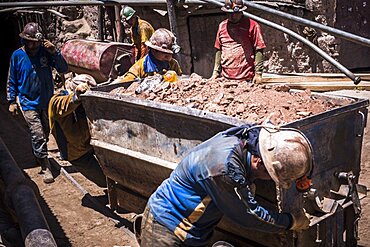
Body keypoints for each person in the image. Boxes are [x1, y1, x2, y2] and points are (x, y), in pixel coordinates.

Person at [140, 123, 312, 246]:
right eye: (271, 177)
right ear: (259, 162)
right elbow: (250, 215)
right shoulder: (225, 170)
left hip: (191, 230)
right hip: (168, 226)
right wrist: (291, 222)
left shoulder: (245, 138)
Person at [7, 22, 68, 183]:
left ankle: (38, 154)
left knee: (46, 132)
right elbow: (12, 79)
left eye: (36, 42)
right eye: (30, 41)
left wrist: (55, 52)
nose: (33, 45)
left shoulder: (45, 53)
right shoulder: (17, 56)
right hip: (28, 102)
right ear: (24, 40)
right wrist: (12, 100)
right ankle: (45, 166)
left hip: (46, 101)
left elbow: (63, 69)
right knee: (38, 134)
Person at [48, 74, 106, 187]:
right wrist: (76, 96)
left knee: (114, 174)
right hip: (77, 153)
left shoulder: (86, 102)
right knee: (104, 181)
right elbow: (62, 104)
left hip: (92, 144)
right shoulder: (57, 101)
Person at [211, 0, 266, 84]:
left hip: (246, 78)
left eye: (235, 13)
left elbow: (259, 49)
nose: (232, 16)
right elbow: (219, 49)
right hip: (226, 78)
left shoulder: (252, 25)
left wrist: (258, 73)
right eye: (229, 13)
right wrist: (216, 72)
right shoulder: (222, 26)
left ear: (241, 11)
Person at [113, 28, 182, 84]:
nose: (169, 58)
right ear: (154, 50)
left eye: (170, 54)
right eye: (165, 54)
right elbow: (125, 84)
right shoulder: (139, 67)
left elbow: (180, 80)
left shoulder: (173, 64)